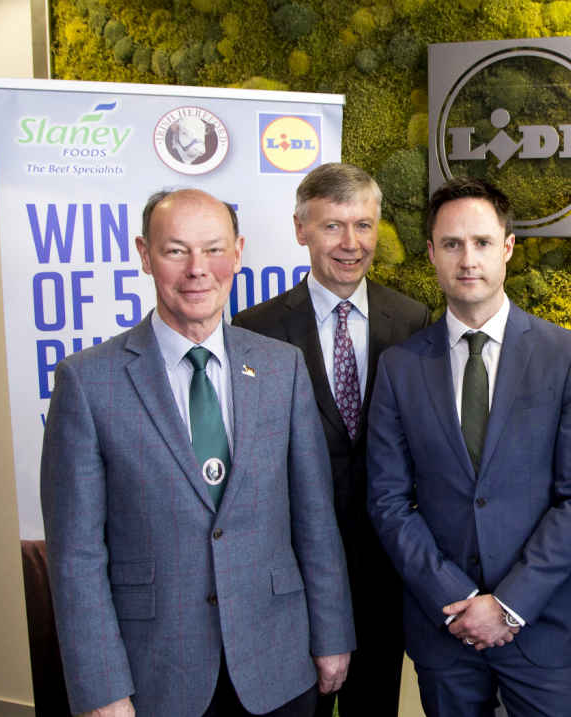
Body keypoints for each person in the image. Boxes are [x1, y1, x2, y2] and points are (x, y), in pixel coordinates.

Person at [41, 188, 354, 717]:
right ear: (144, 255)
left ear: (237, 253)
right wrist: (100, 686)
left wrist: (332, 633)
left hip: (278, 662)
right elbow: (76, 557)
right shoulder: (88, 382)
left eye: (213, 249)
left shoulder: (283, 368)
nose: (197, 270)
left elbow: (314, 520)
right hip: (155, 675)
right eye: (176, 250)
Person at [366, 177, 571, 717]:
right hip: (443, 627)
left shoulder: (566, 354)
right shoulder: (400, 367)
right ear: (431, 253)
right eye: (451, 244)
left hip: (544, 628)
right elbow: (387, 499)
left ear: (507, 247)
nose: (467, 258)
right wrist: (453, 600)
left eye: (481, 242)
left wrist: (509, 604)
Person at [233, 162, 430, 717]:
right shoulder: (255, 329)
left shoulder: (411, 319)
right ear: (300, 229)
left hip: (386, 575)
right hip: (294, 577)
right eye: (332, 227)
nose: (351, 244)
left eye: (363, 226)